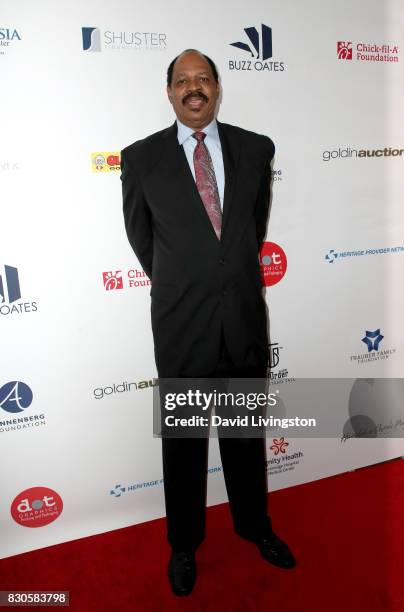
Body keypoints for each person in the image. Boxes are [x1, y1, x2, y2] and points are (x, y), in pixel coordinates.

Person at [120, 49, 296, 596]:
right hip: (182, 325)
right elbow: (141, 239)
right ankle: (184, 545)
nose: (193, 88)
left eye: (203, 79)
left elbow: (250, 228)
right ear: (169, 92)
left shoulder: (254, 148)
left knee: (245, 438)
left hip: (242, 319)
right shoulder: (140, 158)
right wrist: (184, 281)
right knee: (185, 444)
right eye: (182, 81)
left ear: (218, 88)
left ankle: (254, 526)